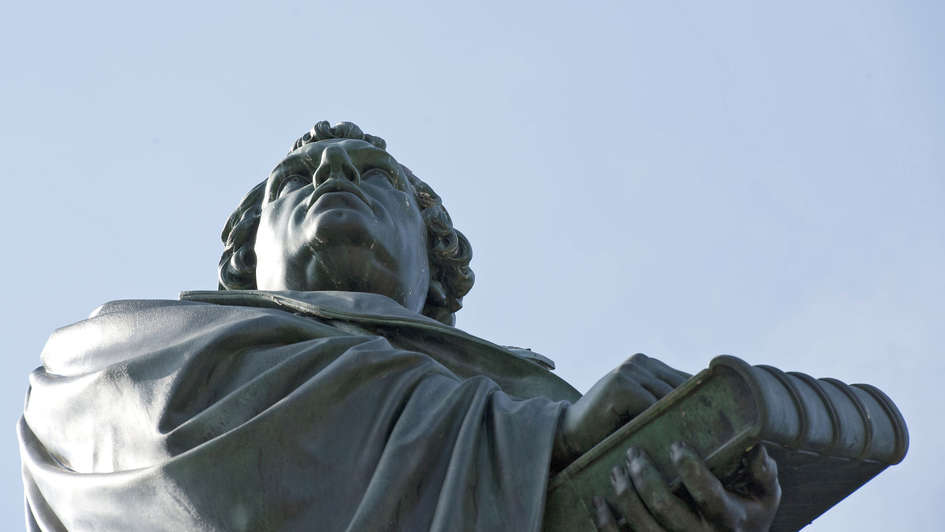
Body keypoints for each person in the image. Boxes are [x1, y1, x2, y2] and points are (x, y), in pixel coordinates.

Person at [18, 121, 780, 531]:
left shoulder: (534, 398)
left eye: (371, 175)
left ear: (433, 264)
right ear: (246, 260)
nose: (333, 178)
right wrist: (535, 441)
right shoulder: (113, 357)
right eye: (298, 180)